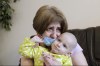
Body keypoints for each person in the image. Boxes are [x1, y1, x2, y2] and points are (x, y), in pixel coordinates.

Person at [20, 5, 88, 66]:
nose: (55, 35)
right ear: (39, 30)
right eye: (50, 29)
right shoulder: (34, 46)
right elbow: (24, 52)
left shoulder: (70, 44)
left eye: (58, 29)